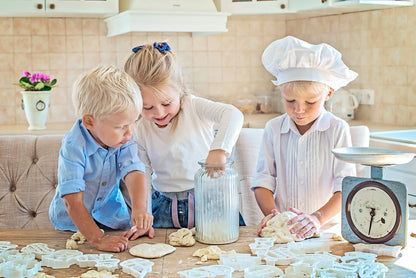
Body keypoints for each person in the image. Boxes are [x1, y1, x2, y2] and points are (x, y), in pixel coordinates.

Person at [124, 42, 244, 229]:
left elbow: (233, 114)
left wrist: (219, 150)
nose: (159, 113)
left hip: (209, 201)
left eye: (166, 103)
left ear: (179, 86)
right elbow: (143, 174)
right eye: (147, 107)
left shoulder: (193, 107)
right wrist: (143, 212)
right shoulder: (140, 129)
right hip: (164, 206)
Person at [252, 36, 358, 239]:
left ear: (328, 93)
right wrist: (275, 218)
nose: (299, 110)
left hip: (327, 231)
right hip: (285, 231)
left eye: (310, 102)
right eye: (290, 100)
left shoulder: (337, 129)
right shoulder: (273, 128)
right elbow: (263, 181)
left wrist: (317, 218)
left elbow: (346, 186)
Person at [49, 65, 154, 253]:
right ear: (90, 122)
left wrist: (139, 210)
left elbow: (134, 171)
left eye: (133, 123)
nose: (130, 133)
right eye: (122, 126)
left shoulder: (123, 139)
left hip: (112, 218)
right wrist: (97, 238)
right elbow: (71, 201)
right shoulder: (73, 146)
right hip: (72, 224)